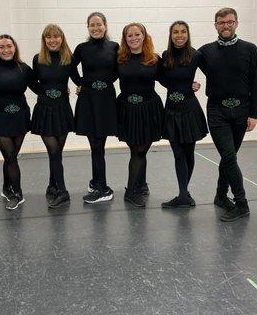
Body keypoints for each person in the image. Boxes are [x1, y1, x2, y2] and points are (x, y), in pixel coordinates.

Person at [198, 7, 257, 222]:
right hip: (217, 110)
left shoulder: (250, 49)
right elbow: (182, 68)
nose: (226, 25)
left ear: (236, 23)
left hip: (242, 111)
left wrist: (254, 113)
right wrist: (186, 83)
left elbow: (256, 84)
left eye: (230, 22)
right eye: (221, 22)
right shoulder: (206, 51)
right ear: (215, 25)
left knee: (230, 157)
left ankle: (219, 195)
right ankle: (241, 203)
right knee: (228, 156)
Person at [0, 34, 38, 211]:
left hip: (20, 116)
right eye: (1, 47)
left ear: (15, 48)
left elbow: (38, 89)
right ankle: (17, 193)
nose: (6, 50)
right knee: (10, 156)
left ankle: (7, 187)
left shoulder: (24, 68)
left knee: (11, 156)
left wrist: (59, 88)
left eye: (9, 46)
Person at [158, 21, 208, 208]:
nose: (179, 35)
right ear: (171, 35)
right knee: (177, 153)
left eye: (183, 32)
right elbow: (162, 78)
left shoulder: (196, 55)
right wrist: (177, 87)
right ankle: (183, 195)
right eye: (176, 32)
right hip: (171, 109)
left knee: (188, 152)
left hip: (189, 110)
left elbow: (213, 73)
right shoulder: (166, 55)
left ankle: (183, 194)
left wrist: (197, 86)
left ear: (188, 34)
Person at [71, 12, 119, 204]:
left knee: (99, 144)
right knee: (95, 144)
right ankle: (97, 182)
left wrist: (106, 83)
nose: (96, 28)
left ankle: (103, 188)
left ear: (105, 26)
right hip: (88, 99)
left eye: (99, 24)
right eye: (92, 25)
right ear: (88, 27)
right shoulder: (82, 48)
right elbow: (70, 67)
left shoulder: (114, 47)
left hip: (106, 99)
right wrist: (81, 82)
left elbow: (118, 70)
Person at [116, 23, 163, 207]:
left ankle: (140, 185)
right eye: (130, 35)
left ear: (144, 36)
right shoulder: (119, 59)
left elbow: (169, 80)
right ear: (125, 39)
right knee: (136, 150)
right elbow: (103, 77)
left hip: (148, 109)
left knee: (141, 150)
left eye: (137, 34)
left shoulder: (154, 59)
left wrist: (190, 85)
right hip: (127, 109)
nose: (134, 38)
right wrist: (82, 85)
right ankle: (132, 191)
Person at [31, 24, 75, 208]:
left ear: (62, 39)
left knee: (57, 153)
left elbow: (77, 78)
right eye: (48, 37)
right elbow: (32, 83)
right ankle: (63, 191)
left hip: (62, 109)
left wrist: (82, 87)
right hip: (45, 110)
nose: (52, 40)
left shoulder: (68, 58)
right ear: (44, 40)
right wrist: (46, 92)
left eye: (56, 36)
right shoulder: (38, 59)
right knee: (54, 151)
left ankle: (52, 185)